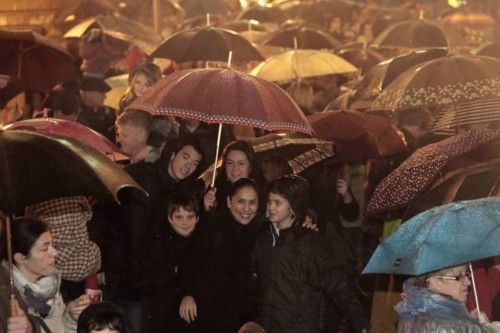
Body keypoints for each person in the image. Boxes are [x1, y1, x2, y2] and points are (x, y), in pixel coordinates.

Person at [251, 175, 368, 332]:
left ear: (292, 206)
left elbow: (335, 281)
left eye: (278, 203)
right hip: (267, 323)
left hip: (298, 325)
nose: (271, 207)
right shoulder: (263, 238)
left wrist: (359, 319)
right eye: (269, 201)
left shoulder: (309, 242)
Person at [179, 178, 264, 332]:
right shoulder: (212, 226)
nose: (246, 208)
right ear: (229, 201)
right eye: (241, 201)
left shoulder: (257, 233)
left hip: (235, 316)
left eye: (252, 203)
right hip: (203, 310)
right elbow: (189, 259)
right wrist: (187, 294)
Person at [1, 216, 90, 332]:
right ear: (21, 258)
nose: (55, 252)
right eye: (45, 248)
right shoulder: (9, 298)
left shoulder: (48, 285)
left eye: (52, 245)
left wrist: (70, 316)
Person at [138, 192, 201, 332]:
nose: (185, 222)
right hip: (159, 315)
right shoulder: (158, 244)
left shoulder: (199, 244)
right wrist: (171, 274)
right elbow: (143, 281)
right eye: (179, 217)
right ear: (170, 218)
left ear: (197, 218)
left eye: (190, 217)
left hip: (187, 317)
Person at [24, 197, 101, 303]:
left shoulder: (35, 202)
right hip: (84, 261)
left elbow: (30, 223)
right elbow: (88, 215)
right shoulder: (77, 197)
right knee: (91, 247)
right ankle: (93, 298)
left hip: (59, 266)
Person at [395, 264, 485, 332]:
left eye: (467, 274)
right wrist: (476, 327)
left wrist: (467, 318)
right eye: (459, 276)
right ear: (435, 282)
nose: (468, 282)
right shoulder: (453, 325)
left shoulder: (411, 310)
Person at [204, 140, 265, 213]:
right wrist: (207, 209)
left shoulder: (262, 194)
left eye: (241, 163)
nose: (235, 168)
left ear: (251, 167)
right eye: (230, 163)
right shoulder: (215, 191)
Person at [77, 77, 116, 141]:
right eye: (101, 93)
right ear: (88, 94)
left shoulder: (108, 112)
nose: (105, 96)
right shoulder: (76, 112)